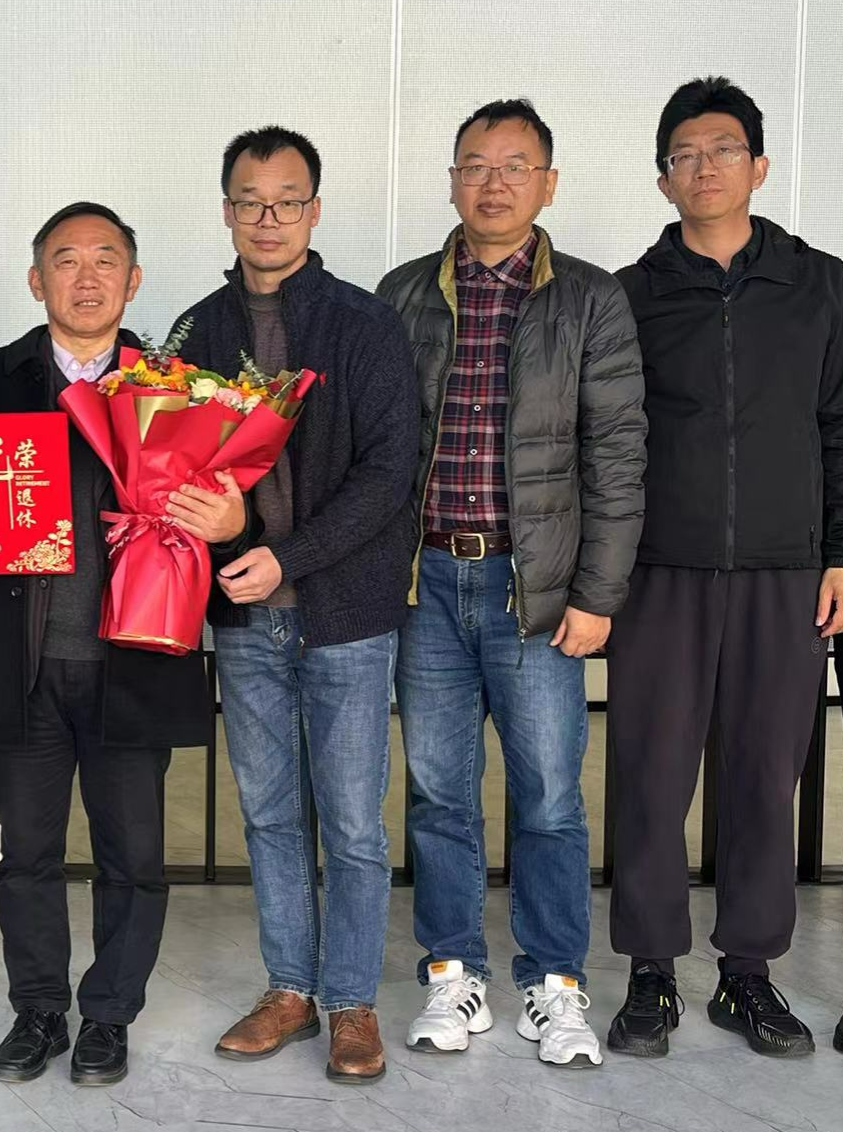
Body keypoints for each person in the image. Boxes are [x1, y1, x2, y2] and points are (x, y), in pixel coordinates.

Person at [0, 202, 224, 1086]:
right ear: (36, 279)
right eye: (65, 260)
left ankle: (109, 1017)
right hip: (19, 666)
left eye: (106, 260)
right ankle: (39, 1011)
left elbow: (222, 512)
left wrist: (232, 521)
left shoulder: (180, 391)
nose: (86, 277)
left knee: (134, 857)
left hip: (133, 660)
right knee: (27, 853)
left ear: (133, 281)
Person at [378, 99, 646, 1069]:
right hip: (426, 586)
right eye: (474, 165)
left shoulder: (590, 299)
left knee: (548, 797)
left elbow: (617, 454)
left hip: (536, 592)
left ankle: (553, 982)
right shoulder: (403, 294)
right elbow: (377, 450)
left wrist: (597, 593)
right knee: (438, 794)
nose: (492, 183)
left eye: (514, 166)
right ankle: (453, 972)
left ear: (548, 183)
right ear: (452, 180)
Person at [173, 126, 418, 1084]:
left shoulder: (364, 324)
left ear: (314, 211)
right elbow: (171, 477)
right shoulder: (195, 333)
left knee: (353, 823)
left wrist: (288, 556)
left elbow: (389, 474)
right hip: (243, 614)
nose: (267, 219)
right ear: (225, 210)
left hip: (346, 612)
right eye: (250, 201)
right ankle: (289, 990)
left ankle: (351, 1002)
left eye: (286, 201)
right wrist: (234, 554)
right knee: (270, 814)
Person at [606, 76, 840, 1060]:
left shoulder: (821, 287)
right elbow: (603, 441)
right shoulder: (627, 297)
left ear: (759, 166)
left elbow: (839, 426)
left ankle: (747, 974)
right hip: (659, 570)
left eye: (723, 149)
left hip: (787, 573)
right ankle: (651, 972)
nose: (704, 168)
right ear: (662, 179)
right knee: (650, 775)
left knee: (763, 777)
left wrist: (839, 551)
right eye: (684, 155)